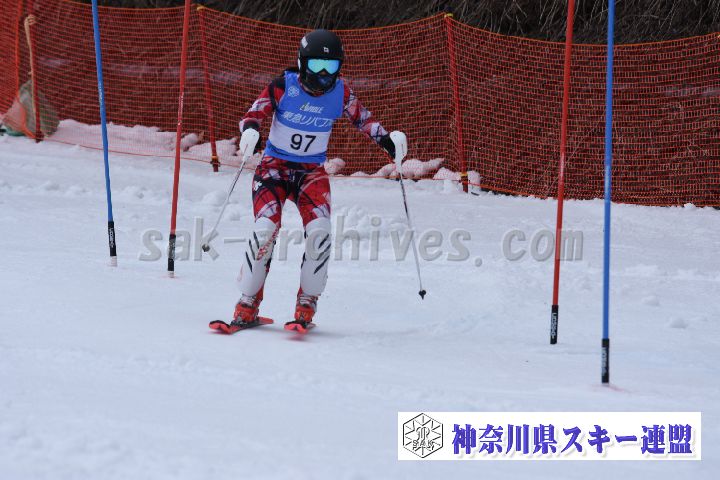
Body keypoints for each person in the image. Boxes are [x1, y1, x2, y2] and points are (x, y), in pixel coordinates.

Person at [234, 29, 400, 333]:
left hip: (310, 173)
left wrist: (388, 141)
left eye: (330, 67)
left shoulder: (341, 93)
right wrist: (250, 131)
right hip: (273, 169)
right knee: (264, 230)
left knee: (320, 232)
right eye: (316, 66)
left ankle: (306, 303)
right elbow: (254, 114)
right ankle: (247, 303)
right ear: (302, 63)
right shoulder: (284, 86)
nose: (323, 74)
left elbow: (364, 119)